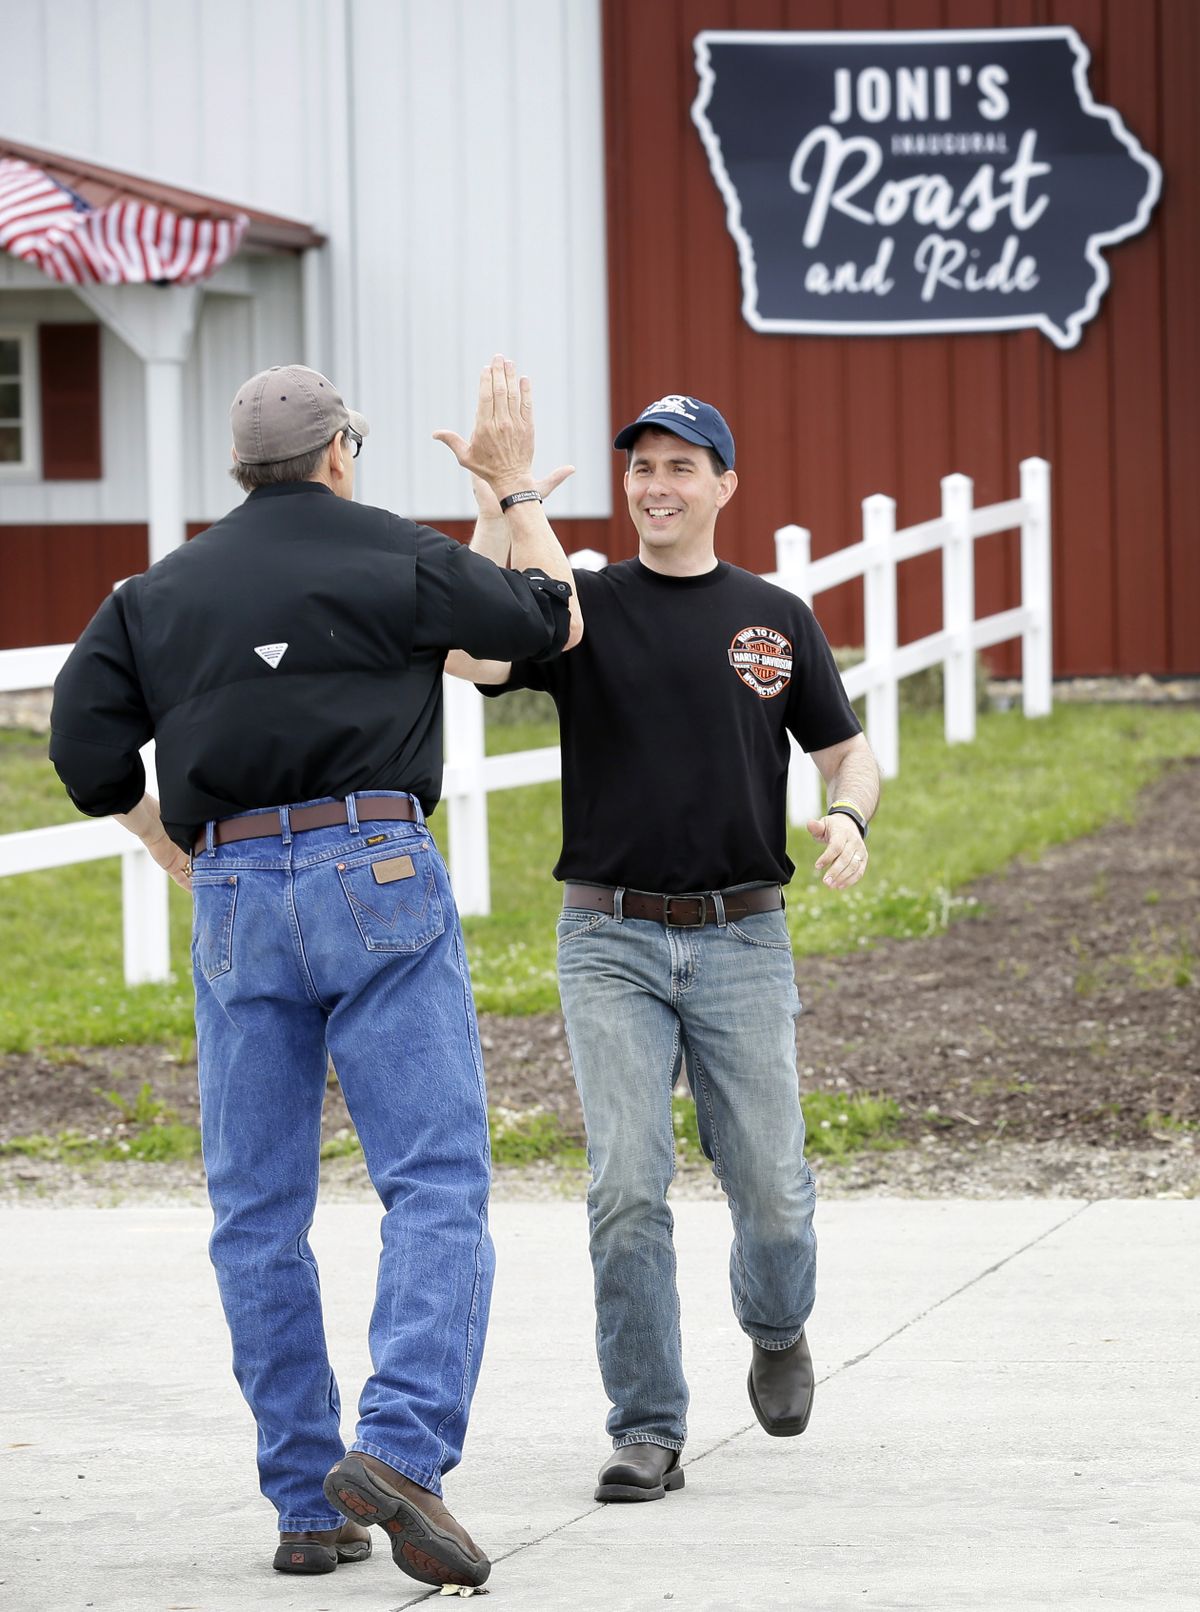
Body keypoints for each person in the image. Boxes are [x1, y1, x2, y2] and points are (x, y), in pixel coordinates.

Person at [49, 356, 582, 1587]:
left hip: (236, 886)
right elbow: (545, 625)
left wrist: (157, 834)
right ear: (342, 451)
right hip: (375, 873)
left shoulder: (155, 591)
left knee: (257, 1212)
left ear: (244, 467)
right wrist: (509, 487)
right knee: (436, 1180)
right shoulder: (395, 554)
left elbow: (84, 750)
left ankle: (305, 1501)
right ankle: (398, 1449)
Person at [449, 393, 879, 1502]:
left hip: (744, 933)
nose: (657, 485)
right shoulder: (581, 605)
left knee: (772, 1188)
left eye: (682, 466)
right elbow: (471, 652)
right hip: (609, 935)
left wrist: (849, 814)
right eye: (641, 467)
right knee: (626, 1185)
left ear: (725, 484)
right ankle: (648, 1426)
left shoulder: (774, 617)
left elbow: (849, 754)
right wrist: (497, 497)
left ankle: (778, 1327)